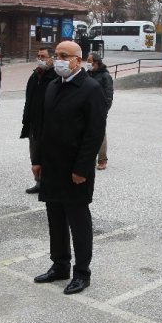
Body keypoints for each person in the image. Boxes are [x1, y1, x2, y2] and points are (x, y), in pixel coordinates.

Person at [32, 41, 106, 295]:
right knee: (55, 218)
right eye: (56, 55)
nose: (59, 59)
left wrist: (82, 169)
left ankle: (82, 272)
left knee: (78, 221)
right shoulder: (53, 86)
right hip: (52, 166)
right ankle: (59, 264)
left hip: (75, 169)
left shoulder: (91, 89)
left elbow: (94, 134)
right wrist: (38, 159)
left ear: (79, 59)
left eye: (65, 56)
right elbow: (43, 127)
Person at [20, 47, 58, 194]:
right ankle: (39, 182)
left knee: (48, 154)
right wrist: (26, 119)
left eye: (43, 56)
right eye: (38, 56)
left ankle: (49, 183)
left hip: (48, 123)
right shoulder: (35, 75)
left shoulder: (55, 77)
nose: (40, 59)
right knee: (34, 153)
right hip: (34, 123)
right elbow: (29, 99)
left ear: (51, 58)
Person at [86, 53, 114, 170]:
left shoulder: (105, 76)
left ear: (96, 62)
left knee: (100, 134)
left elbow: (109, 96)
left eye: (89, 60)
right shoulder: (87, 74)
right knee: (86, 134)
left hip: (99, 110)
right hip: (86, 109)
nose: (87, 63)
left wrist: (103, 110)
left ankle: (102, 159)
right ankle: (89, 159)